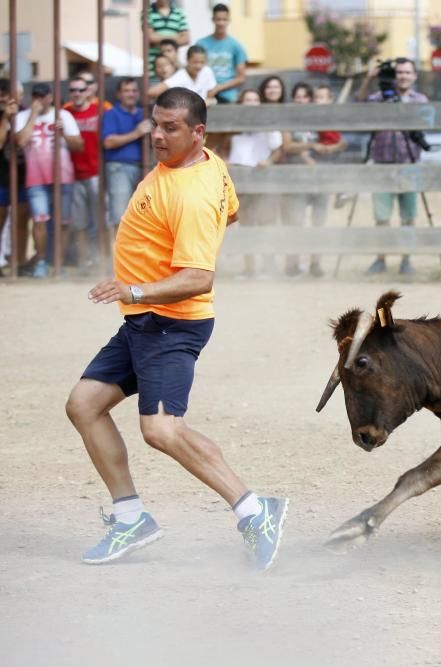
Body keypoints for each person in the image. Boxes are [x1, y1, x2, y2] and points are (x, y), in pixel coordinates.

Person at [64, 87, 288, 570]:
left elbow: (199, 277)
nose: (157, 136)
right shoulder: (206, 162)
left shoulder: (192, 192)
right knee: (84, 405)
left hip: (171, 323)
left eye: (171, 128)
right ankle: (130, 518)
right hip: (143, 321)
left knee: (162, 429)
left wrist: (135, 290)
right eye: (155, 125)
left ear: (198, 132)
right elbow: (233, 211)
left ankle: (255, 512)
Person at [355, 58, 428, 276]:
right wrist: (369, 79)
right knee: (381, 216)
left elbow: (425, 124)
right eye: (400, 72)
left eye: (408, 72)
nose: (403, 76)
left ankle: (406, 260)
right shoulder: (380, 97)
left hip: (409, 163)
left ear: (414, 76)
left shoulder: (419, 99)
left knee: (408, 216)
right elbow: (358, 106)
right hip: (383, 163)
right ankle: (380, 258)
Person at [14, 82, 83, 278]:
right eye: (36, 95)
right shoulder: (22, 117)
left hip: (63, 177)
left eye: (43, 95)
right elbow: (20, 141)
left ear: (51, 97)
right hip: (35, 178)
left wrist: (64, 134)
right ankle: (42, 262)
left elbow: (79, 146)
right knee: (39, 221)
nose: (40, 99)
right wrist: (33, 115)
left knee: (62, 222)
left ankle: (58, 264)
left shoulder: (64, 115)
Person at [227, 88, 283, 278]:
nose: (251, 103)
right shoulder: (233, 125)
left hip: (262, 178)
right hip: (241, 180)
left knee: (266, 223)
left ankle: (269, 267)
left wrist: (269, 161)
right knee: (247, 224)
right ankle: (249, 269)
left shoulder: (268, 123)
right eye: (247, 100)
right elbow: (224, 149)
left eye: (254, 100)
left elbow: (277, 148)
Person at [281, 82, 329, 277]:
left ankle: (315, 264)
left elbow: (333, 142)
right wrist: (310, 148)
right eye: (297, 96)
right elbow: (287, 146)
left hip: (320, 176)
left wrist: (312, 148)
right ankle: (292, 264)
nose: (301, 100)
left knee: (319, 222)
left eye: (305, 96)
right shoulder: (288, 120)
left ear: (310, 98)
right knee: (295, 221)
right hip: (296, 176)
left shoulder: (321, 119)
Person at [104, 78, 152, 243]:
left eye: (134, 91)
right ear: (119, 94)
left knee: (144, 215)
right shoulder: (112, 114)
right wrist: (136, 133)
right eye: (127, 91)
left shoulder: (143, 113)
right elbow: (108, 142)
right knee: (120, 214)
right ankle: (120, 257)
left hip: (145, 168)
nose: (131, 94)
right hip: (119, 167)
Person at [64, 75, 102, 272]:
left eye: (81, 89)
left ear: (88, 91)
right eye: (73, 90)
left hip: (96, 173)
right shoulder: (64, 113)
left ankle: (99, 260)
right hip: (73, 175)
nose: (77, 94)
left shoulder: (100, 110)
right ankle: (83, 262)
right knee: (79, 223)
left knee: (99, 220)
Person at [0, 79, 29, 277]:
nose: (6, 98)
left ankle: (18, 264)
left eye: (10, 94)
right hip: (1, 175)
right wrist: (5, 118)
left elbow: (24, 141)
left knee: (21, 222)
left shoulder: (26, 113)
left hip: (24, 175)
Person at [196, 4, 247, 105]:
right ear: (213, 19)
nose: (221, 23)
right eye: (218, 19)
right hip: (204, 91)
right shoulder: (201, 44)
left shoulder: (236, 45)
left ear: (229, 20)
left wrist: (218, 88)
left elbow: (241, 77)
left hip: (228, 93)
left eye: (224, 19)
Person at [150, 45, 217, 103]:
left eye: (202, 62)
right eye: (195, 62)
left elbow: (211, 92)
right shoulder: (180, 75)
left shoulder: (207, 71)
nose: (198, 66)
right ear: (187, 60)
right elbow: (152, 92)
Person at [146, 0, 189, 71]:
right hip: (153, 70)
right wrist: (174, 37)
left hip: (173, 69)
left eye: (168, 50)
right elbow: (150, 38)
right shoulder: (147, 12)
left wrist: (158, 37)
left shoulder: (178, 12)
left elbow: (186, 39)